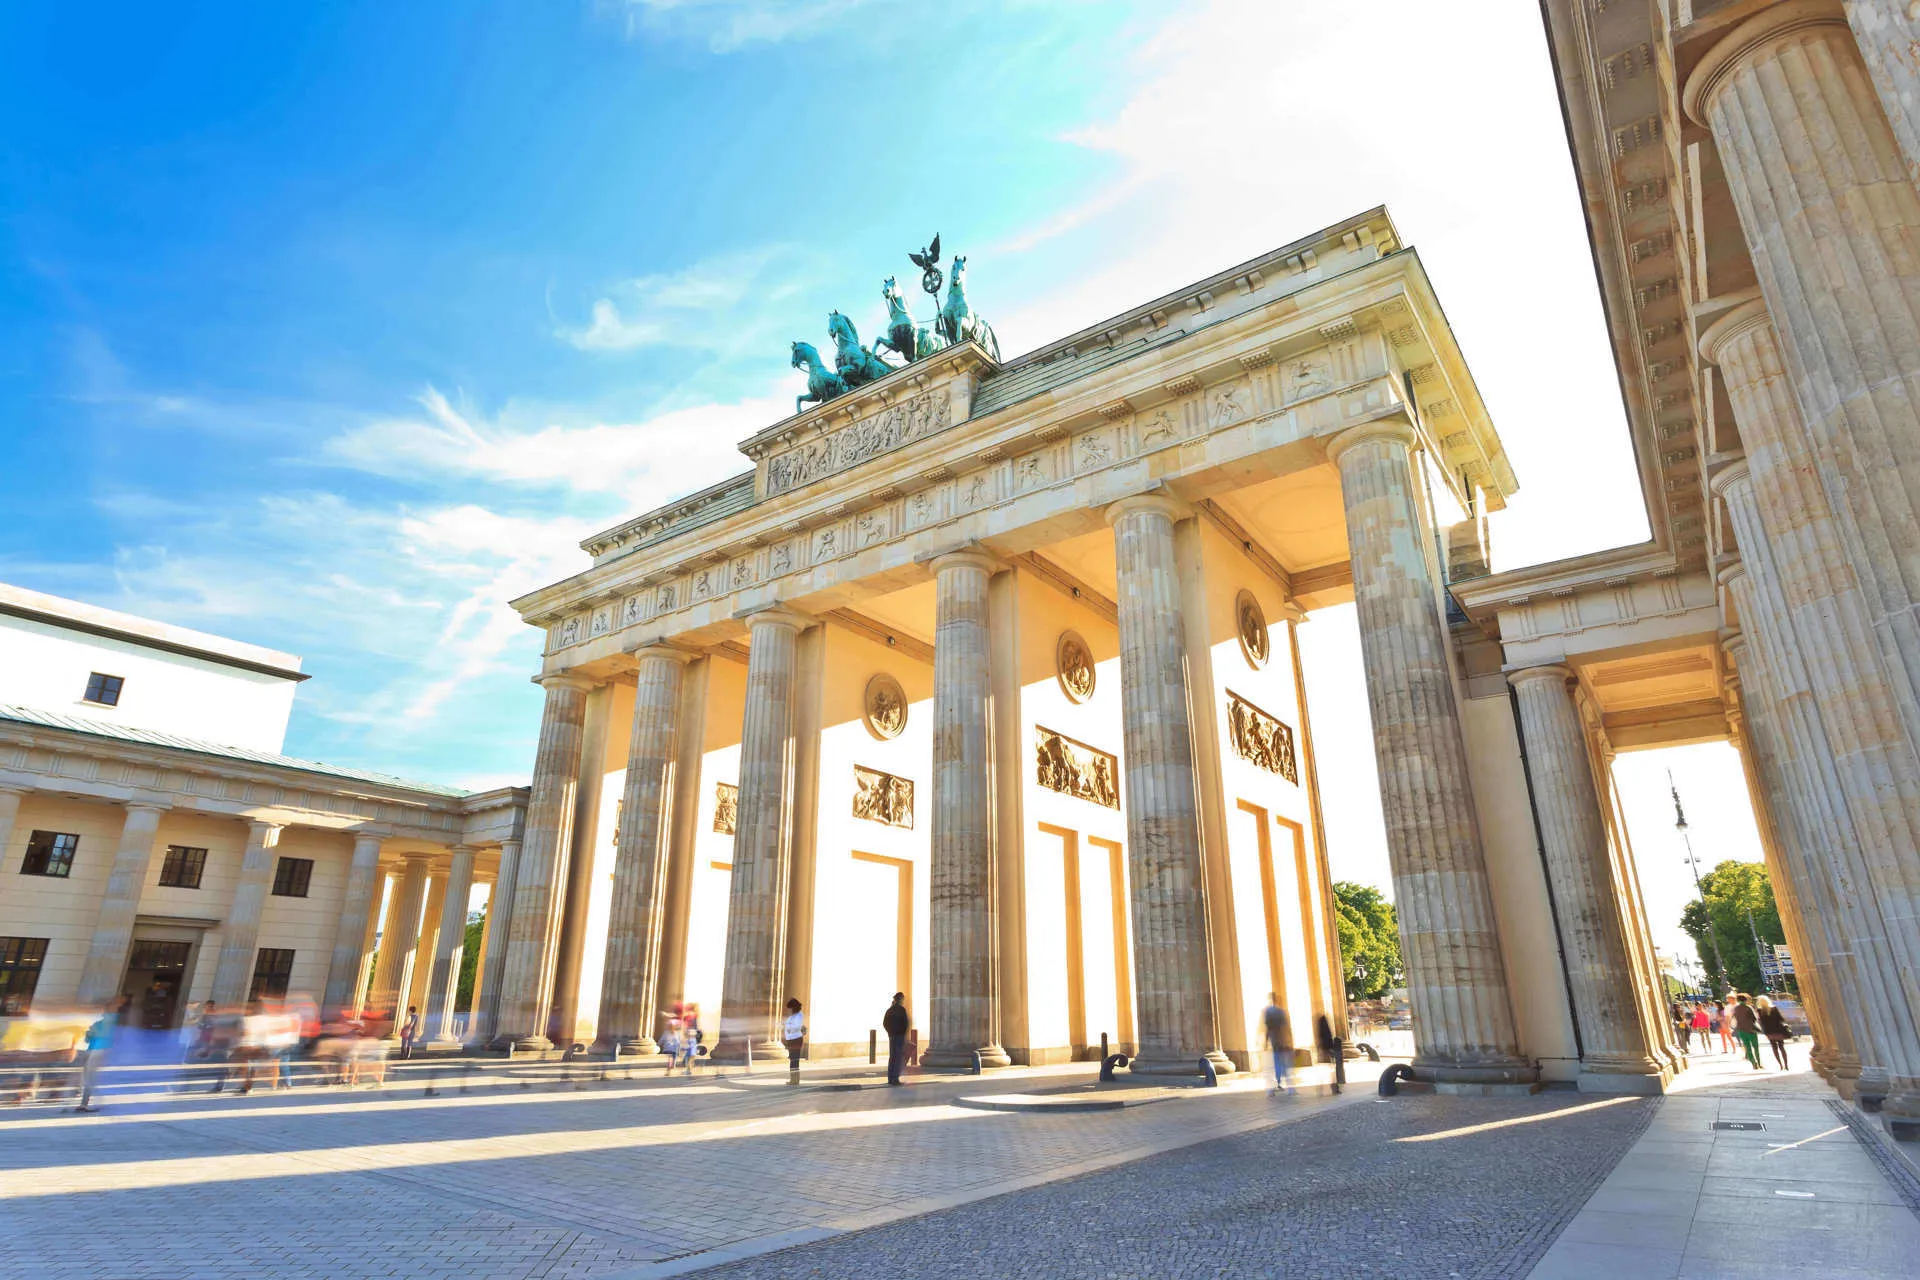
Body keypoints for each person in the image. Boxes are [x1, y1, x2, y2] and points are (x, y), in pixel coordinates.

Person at [78, 997, 124, 1112]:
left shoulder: (106, 1021)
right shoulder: (104, 1022)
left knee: (90, 1077)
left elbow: (90, 1037)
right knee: (91, 1077)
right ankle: (86, 1103)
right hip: (97, 1050)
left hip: (98, 1050)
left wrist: (90, 1033)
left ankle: (86, 1103)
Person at [1261, 992, 1293, 1097]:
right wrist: (1289, 1040)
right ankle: (1283, 1085)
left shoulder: (1268, 1012)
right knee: (1283, 1064)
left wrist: (1266, 1042)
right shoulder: (1281, 1012)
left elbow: (1267, 1028)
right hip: (1281, 1041)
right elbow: (1286, 1028)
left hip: (1274, 1041)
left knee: (1274, 1064)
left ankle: (1274, 1086)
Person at [1756, 995, 1792, 1070]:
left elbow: (1762, 1022)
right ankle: (1786, 1065)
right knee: (1781, 1047)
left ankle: (1780, 1065)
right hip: (1778, 1030)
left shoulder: (1759, 1010)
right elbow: (1781, 1019)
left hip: (1769, 1032)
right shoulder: (1774, 1008)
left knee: (1774, 1048)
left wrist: (1764, 1031)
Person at [882, 993, 910, 1086]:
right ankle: (895, 1079)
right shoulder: (901, 1010)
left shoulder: (889, 1010)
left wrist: (890, 1032)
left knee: (892, 1057)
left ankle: (890, 1078)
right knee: (898, 1057)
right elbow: (905, 1024)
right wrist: (903, 1034)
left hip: (892, 1037)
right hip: (899, 1037)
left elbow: (885, 1023)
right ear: (900, 999)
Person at [1730, 994, 1762, 1069]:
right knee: (1755, 1046)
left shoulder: (1735, 1009)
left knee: (1747, 1047)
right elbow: (1754, 1019)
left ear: (1738, 1000)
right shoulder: (1748, 1007)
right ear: (1745, 1000)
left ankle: (1754, 1063)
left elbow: (1734, 1019)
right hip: (1751, 1029)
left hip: (1741, 1030)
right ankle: (1759, 1062)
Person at [782, 998, 805, 1085]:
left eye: (790, 1008)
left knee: (794, 1060)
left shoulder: (799, 1015)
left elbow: (796, 1027)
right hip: (791, 1040)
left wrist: (787, 1027)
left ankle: (795, 1080)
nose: (789, 1010)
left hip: (796, 1039)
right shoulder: (793, 1016)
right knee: (793, 1060)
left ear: (794, 1007)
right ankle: (794, 1079)